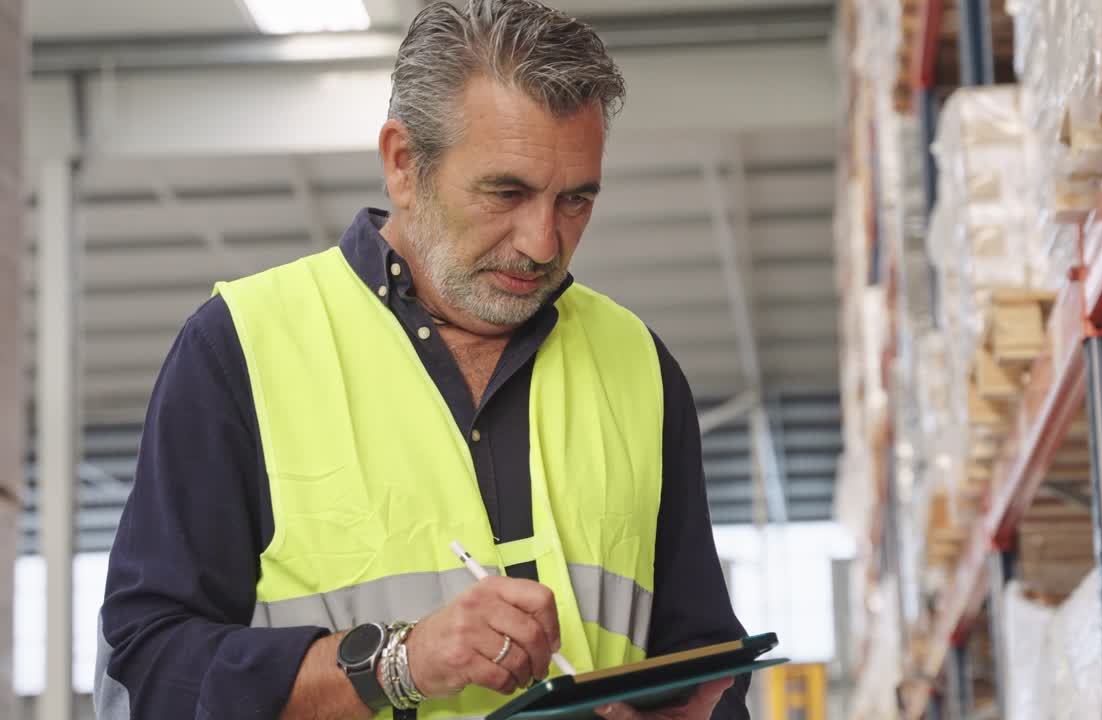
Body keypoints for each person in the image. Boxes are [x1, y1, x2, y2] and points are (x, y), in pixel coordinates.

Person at [94, 1, 750, 718]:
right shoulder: (239, 350)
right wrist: (395, 663)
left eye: (576, 200)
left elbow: (706, 668)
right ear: (404, 165)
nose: (541, 242)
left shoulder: (640, 368)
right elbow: (149, 671)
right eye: (507, 192)